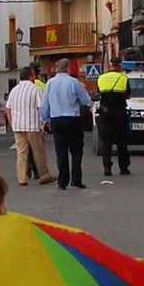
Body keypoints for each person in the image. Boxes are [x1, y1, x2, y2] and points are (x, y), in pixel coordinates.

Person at [40, 58, 91, 190]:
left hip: (56, 120)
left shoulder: (49, 83)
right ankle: (76, 179)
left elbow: (45, 104)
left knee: (61, 151)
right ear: (68, 68)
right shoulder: (74, 82)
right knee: (76, 151)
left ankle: (62, 182)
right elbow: (85, 100)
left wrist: (44, 119)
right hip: (72, 119)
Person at [6, 67, 55, 187]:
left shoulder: (14, 90)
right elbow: (41, 107)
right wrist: (44, 123)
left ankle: (22, 178)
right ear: (30, 76)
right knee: (38, 152)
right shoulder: (35, 89)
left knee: (21, 153)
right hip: (32, 125)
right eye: (33, 75)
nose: (35, 77)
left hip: (18, 126)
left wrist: (12, 122)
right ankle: (44, 175)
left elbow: (8, 108)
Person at [95, 58, 131, 178]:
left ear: (110, 66)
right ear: (119, 66)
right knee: (122, 141)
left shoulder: (101, 78)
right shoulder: (123, 78)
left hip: (106, 113)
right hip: (120, 113)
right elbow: (128, 95)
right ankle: (123, 167)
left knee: (107, 141)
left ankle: (107, 167)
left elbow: (100, 93)